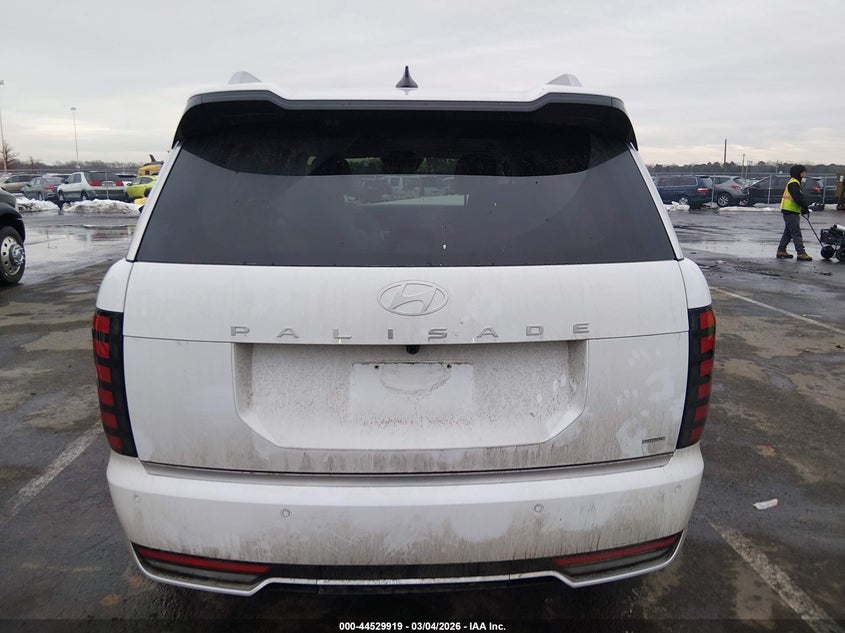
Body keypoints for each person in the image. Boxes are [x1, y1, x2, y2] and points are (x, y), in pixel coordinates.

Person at [776, 165, 812, 261]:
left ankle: (781, 250)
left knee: (788, 232)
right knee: (796, 232)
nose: (805, 174)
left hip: (790, 210)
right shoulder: (794, 183)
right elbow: (798, 197)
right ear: (799, 173)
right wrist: (804, 206)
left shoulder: (794, 182)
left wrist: (802, 208)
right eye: (803, 172)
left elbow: (797, 197)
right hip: (790, 211)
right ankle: (801, 253)